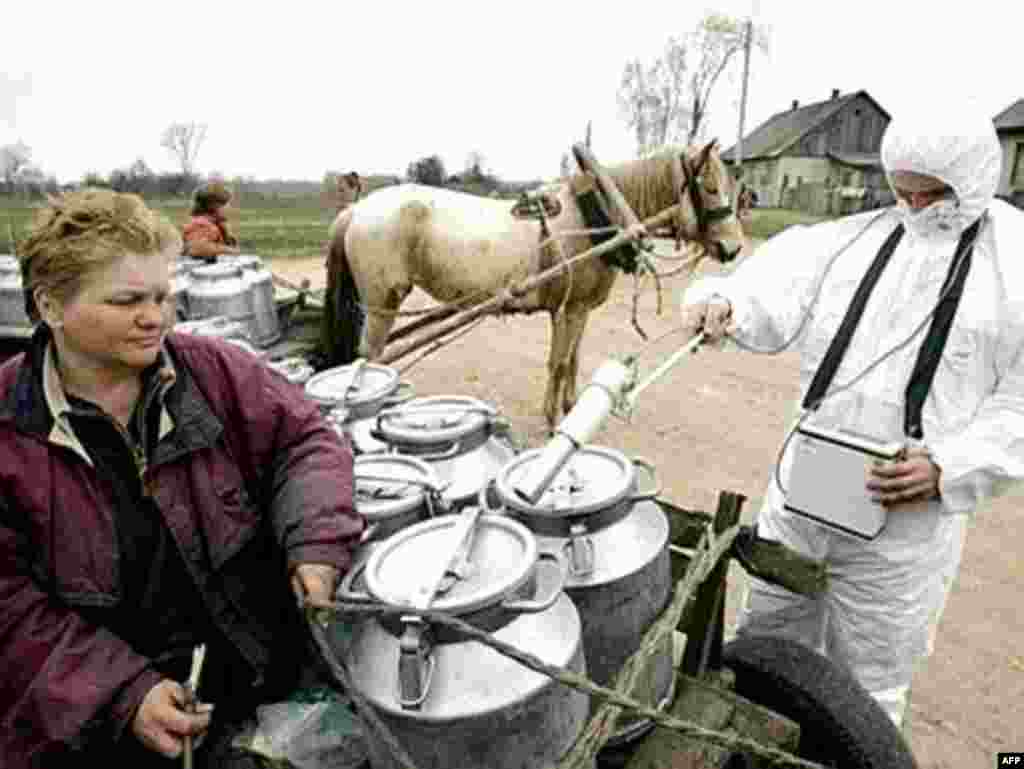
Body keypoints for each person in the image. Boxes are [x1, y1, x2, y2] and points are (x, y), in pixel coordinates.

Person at [677, 101, 1024, 730]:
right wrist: (726, 302)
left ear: (974, 181)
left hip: (906, 519)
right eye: (903, 193)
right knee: (765, 639)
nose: (915, 208)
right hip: (806, 491)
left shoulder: (1017, 268)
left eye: (934, 196)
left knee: (869, 681)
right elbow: (774, 281)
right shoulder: (852, 240)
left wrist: (951, 468)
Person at [0, 188, 365, 767]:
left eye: (162, 296)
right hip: (98, 727)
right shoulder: (8, 432)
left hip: (252, 674)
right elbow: (9, 607)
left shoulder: (214, 372)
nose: (155, 318)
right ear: (49, 306)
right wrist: (123, 693)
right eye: (126, 301)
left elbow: (305, 441)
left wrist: (317, 541)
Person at [182, 180, 242, 262]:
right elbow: (197, 248)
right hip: (204, 273)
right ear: (214, 205)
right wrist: (229, 251)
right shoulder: (201, 224)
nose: (230, 208)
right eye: (227, 204)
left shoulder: (215, 223)